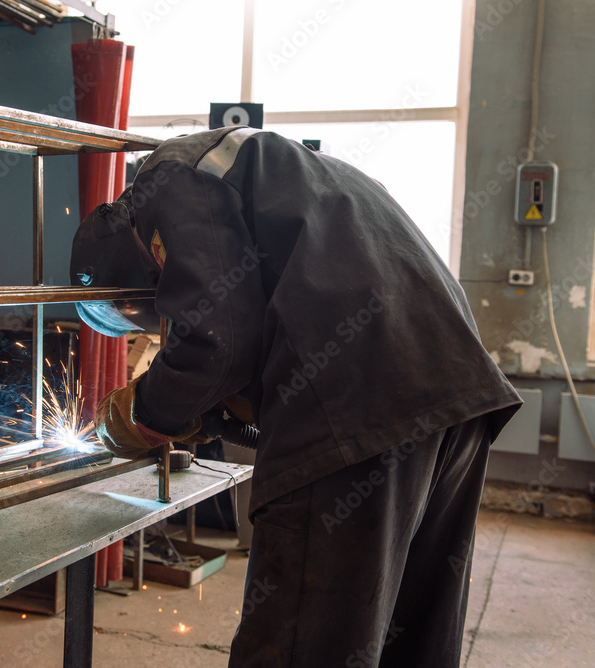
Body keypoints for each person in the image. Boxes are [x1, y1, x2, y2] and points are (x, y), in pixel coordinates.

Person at [69, 127, 522, 667]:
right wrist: (210, 408)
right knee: (410, 638)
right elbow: (251, 318)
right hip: (454, 392)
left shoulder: (169, 176)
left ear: (138, 258)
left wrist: (147, 414)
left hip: (355, 410)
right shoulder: (275, 177)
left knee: (303, 645)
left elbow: (214, 342)